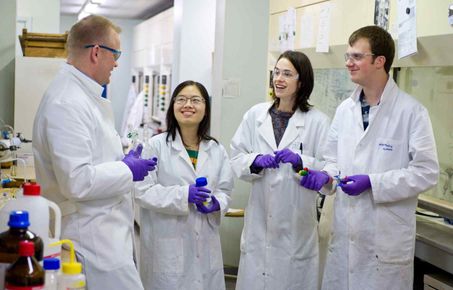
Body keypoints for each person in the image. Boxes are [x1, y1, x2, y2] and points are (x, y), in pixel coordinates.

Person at [300, 25, 439, 290]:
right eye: (347, 56)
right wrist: (326, 176)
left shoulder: (411, 112)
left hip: (385, 242)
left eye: (356, 57)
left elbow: (426, 172)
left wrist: (374, 183)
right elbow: (332, 158)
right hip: (345, 239)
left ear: (379, 61)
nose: (348, 63)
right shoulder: (345, 110)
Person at [32, 15, 157, 290]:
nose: (117, 63)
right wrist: (127, 169)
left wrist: (122, 162)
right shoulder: (68, 101)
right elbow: (77, 180)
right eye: (116, 54)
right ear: (97, 52)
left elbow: (92, 159)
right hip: (91, 237)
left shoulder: (83, 95)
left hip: (102, 232)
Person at [230, 50, 331, 290]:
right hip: (259, 225)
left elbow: (330, 170)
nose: (279, 79)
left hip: (296, 230)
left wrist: (301, 162)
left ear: (302, 81)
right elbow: (235, 157)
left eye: (287, 74)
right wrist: (255, 161)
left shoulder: (318, 121)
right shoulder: (255, 115)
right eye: (276, 73)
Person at [134, 80, 233, 290]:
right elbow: (141, 191)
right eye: (181, 99)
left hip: (205, 243)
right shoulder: (156, 146)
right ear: (173, 106)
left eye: (195, 100)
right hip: (167, 243)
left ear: (205, 109)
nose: (188, 105)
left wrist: (216, 204)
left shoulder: (216, 149)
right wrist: (182, 195)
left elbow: (225, 190)